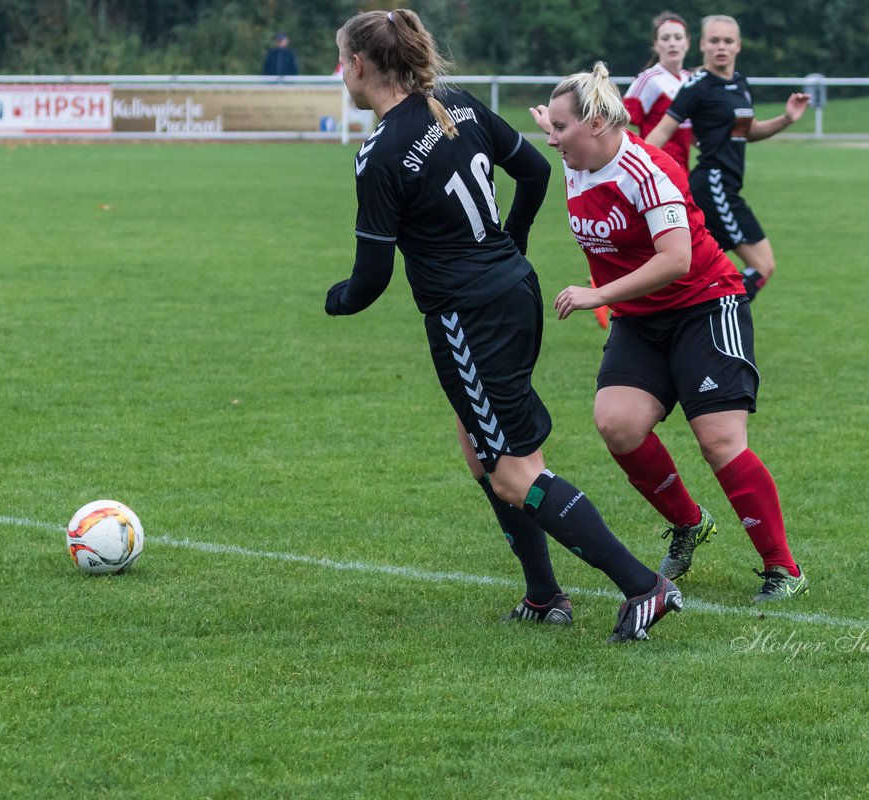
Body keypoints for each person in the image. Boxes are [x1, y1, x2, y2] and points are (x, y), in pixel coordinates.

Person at [324, 9, 683, 642]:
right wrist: (507, 246)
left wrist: (337, 300)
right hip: (513, 291)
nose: (339, 74)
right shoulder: (456, 104)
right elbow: (537, 171)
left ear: (359, 66)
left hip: (470, 317)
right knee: (480, 446)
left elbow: (370, 279)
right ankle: (544, 596)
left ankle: (642, 585)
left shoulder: (379, 154)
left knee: (515, 473)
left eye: (340, 61)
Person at [529, 63, 807, 603]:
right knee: (618, 425)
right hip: (641, 319)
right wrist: (554, 119)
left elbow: (677, 259)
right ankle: (689, 522)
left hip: (705, 304)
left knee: (719, 441)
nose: (552, 138)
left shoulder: (646, 170)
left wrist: (598, 294)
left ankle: (783, 567)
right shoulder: (580, 153)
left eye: (561, 128)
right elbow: (564, 132)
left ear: (596, 123)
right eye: (552, 128)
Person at [644, 15, 809, 302]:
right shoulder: (697, 86)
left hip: (726, 186)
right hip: (714, 185)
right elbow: (661, 133)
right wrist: (634, 170)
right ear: (703, 45)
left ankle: (673, 313)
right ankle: (717, 312)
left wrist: (787, 119)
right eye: (715, 41)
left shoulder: (740, 83)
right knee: (761, 265)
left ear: (738, 46)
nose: (721, 46)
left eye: (728, 41)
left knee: (689, 273)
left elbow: (747, 132)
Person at [622, 11, 695, 174]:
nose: (672, 43)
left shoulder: (691, 81)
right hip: (656, 171)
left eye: (678, 37)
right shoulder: (649, 79)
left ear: (687, 43)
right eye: (665, 38)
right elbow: (621, 122)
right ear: (656, 44)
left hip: (683, 172)